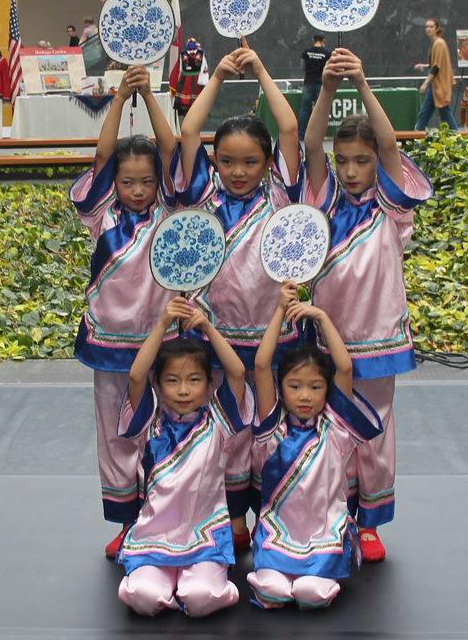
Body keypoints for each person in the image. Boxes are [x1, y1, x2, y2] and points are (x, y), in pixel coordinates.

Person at [303, 48, 433, 562]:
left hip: (378, 338)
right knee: (326, 428)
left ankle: (370, 523)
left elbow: (388, 140)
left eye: (363, 161)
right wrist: (330, 88)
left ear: (379, 163)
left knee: (374, 431)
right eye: (344, 161)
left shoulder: (392, 206)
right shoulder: (323, 200)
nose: (352, 170)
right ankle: (331, 513)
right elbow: (310, 141)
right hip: (325, 341)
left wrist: (362, 81)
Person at [177, 36, 303, 546]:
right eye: (227, 161)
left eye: (250, 161)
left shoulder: (280, 192)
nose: (237, 171)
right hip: (217, 339)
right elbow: (188, 130)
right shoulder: (204, 193)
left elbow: (290, 125)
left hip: (273, 339)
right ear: (214, 162)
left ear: (268, 162)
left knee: (269, 433)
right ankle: (232, 517)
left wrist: (261, 69)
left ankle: (272, 515)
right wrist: (220, 77)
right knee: (229, 433)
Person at [69, 66, 178, 559]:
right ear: (114, 183)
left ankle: (164, 518)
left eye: (146, 181)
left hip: (164, 344)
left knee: (164, 432)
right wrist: (118, 99)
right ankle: (126, 523)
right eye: (128, 181)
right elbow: (102, 155)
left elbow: (174, 152)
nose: (137, 189)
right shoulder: (102, 213)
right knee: (116, 436)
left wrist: (150, 97)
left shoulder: (173, 214)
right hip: (111, 346)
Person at [247, 281, 383, 610]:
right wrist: (281, 309)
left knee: (311, 594)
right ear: (282, 389)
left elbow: (346, 367)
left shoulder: (335, 430)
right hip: (279, 532)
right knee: (273, 592)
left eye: (315, 386)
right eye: (295, 386)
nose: (305, 395)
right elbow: (262, 365)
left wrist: (320, 316)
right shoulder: (273, 427)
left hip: (323, 533)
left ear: (327, 391)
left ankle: (320, 571)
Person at [116, 297, 253, 617]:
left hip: (204, 538)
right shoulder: (150, 420)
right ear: (159, 385)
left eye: (193, 380)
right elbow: (137, 377)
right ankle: (161, 584)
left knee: (201, 599)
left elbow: (237, 371)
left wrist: (206, 326)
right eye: (172, 380)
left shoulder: (217, 420)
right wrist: (162, 324)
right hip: (154, 537)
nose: (182, 390)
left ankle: (198, 583)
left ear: (208, 386)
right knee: (144, 600)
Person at [414, 18, 457, 130]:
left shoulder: (439, 43)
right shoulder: (435, 43)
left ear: (436, 28)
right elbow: (435, 64)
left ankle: (456, 135)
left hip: (438, 82)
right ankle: (416, 135)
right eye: (427, 27)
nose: (428, 29)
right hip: (435, 83)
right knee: (426, 112)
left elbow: (437, 67)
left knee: (444, 112)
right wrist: (424, 65)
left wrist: (425, 83)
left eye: (431, 27)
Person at [298, 33, 331, 140]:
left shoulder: (306, 52)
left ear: (313, 39)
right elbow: (328, 68)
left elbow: (302, 66)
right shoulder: (326, 53)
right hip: (320, 83)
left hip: (308, 82)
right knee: (320, 110)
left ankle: (301, 134)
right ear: (323, 40)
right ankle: (318, 135)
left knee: (304, 109)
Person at [173, 38, 209, 118]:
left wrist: (204, 81)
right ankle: (187, 112)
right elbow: (180, 69)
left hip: (197, 78)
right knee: (186, 98)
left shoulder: (201, 53)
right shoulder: (182, 54)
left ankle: (196, 112)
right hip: (186, 78)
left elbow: (204, 67)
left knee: (197, 98)